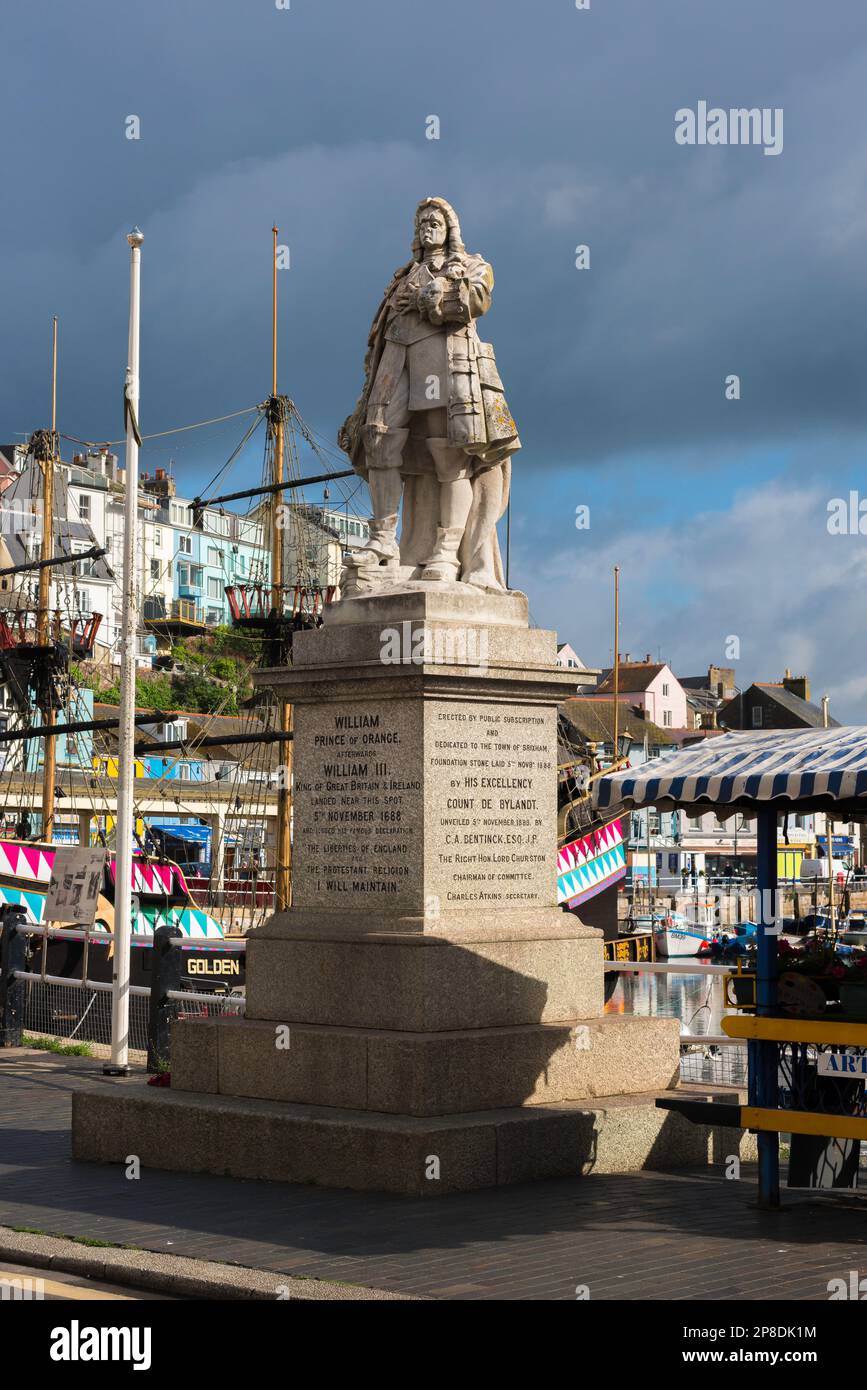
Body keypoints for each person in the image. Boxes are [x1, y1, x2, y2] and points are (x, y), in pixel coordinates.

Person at [339, 197, 520, 589]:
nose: (428, 225)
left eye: (436, 220)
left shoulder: (472, 265)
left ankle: (446, 549)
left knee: (450, 452)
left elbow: (477, 299)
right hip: (396, 358)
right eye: (422, 220)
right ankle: (384, 541)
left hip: (444, 359)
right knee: (378, 437)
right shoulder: (401, 275)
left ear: (450, 228)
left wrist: (428, 297)